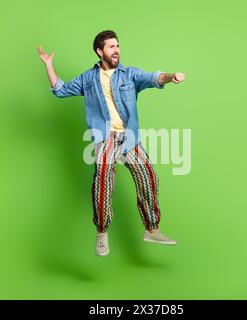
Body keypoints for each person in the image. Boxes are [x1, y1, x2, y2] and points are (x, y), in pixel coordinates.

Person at [37, 30, 185, 256]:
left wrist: (170, 76)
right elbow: (60, 90)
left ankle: (151, 229)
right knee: (103, 180)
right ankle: (102, 232)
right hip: (104, 137)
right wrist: (48, 64)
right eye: (111, 47)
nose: (116, 50)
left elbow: (154, 77)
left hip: (129, 138)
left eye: (118, 46)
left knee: (148, 176)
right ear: (99, 51)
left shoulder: (130, 74)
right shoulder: (88, 78)